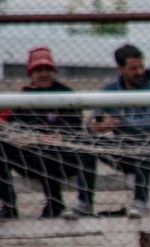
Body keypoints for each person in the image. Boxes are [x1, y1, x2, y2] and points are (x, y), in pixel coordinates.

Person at [73, 44, 150, 219]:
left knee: (144, 143)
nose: (139, 72)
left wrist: (119, 124)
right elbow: (94, 119)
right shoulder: (110, 91)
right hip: (127, 152)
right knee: (86, 143)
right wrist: (95, 126)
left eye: (141, 67)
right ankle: (84, 203)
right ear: (120, 69)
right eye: (133, 68)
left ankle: (140, 203)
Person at [0, 47, 88, 220]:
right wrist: (20, 138)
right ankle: (8, 205)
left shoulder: (65, 95)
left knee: (46, 151)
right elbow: (12, 128)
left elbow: (74, 128)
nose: (44, 74)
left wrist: (45, 137)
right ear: (31, 74)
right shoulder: (23, 97)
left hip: (63, 156)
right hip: (31, 154)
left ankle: (55, 203)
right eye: (38, 70)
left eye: (47, 69)